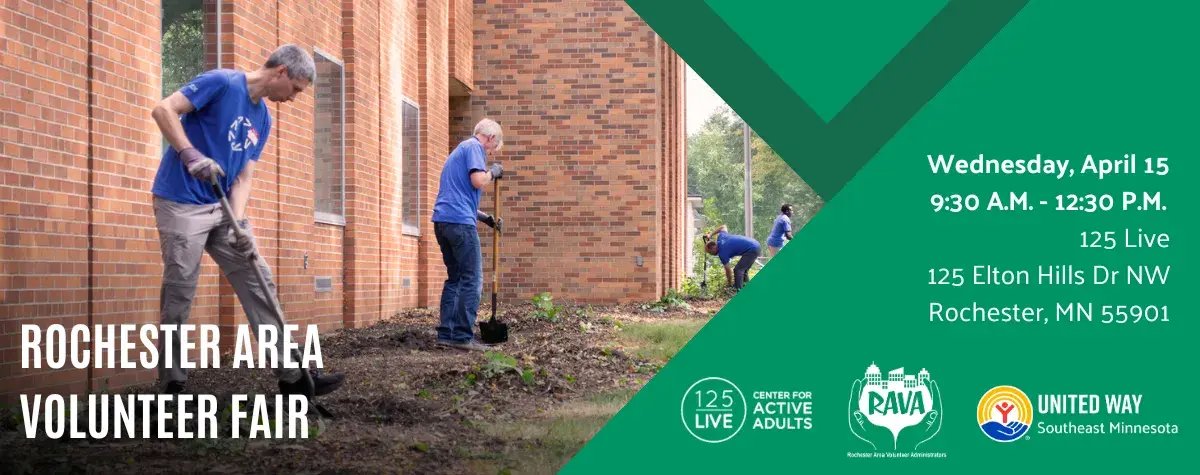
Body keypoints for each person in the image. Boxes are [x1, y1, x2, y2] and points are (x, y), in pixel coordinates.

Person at [150, 45, 345, 398]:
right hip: (181, 202)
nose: (295, 98)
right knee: (180, 290)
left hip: (224, 210)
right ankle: (173, 384)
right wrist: (189, 153)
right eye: (297, 89)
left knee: (260, 282)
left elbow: (243, 178)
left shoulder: (263, 119)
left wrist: (238, 224)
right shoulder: (222, 83)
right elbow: (163, 109)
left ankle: (294, 378)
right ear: (282, 72)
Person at [431, 119, 505, 351]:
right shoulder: (474, 147)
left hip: (443, 222)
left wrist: (486, 219)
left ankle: (447, 334)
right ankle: (462, 336)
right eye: (492, 149)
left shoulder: (459, 151)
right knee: (472, 280)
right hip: (460, 224)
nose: (490, 153)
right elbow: (477, 181)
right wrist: (492, 173)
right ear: (490, 138)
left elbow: (459, 195)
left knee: (455, 279)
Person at [705, 225, 760, 292]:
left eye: (710, 252)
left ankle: (738, 292)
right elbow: (723, 227)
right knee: (743, 271)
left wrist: (729, 283)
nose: (711, 254)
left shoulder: (722, 253)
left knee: (738, 270)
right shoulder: (721, 237)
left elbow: (728, 270)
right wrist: (710, 235)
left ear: (713, 248)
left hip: (752, 249)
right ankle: (748, 291)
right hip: (755, 244)